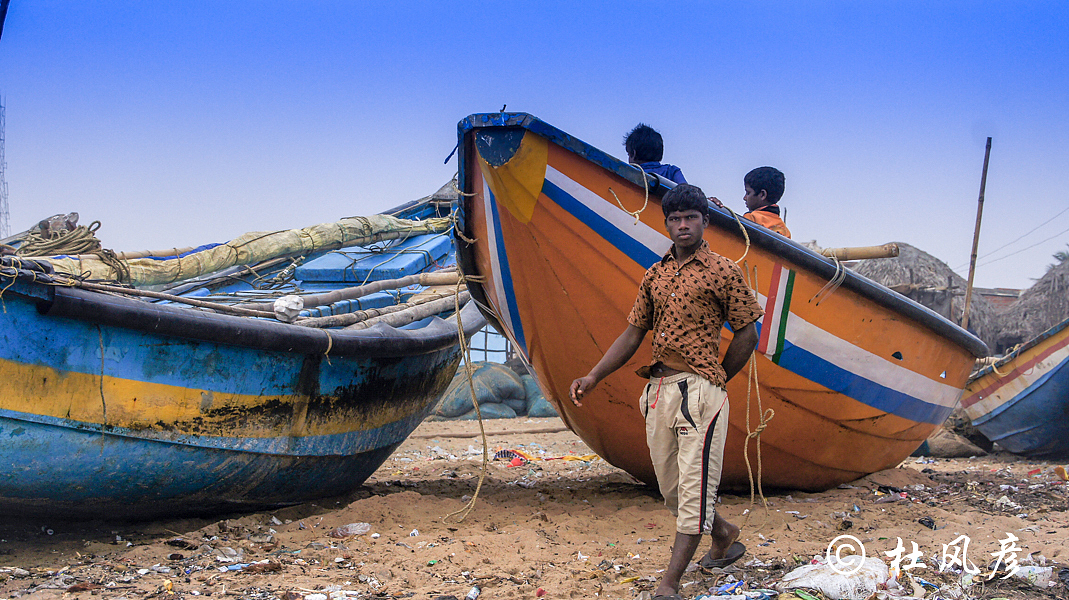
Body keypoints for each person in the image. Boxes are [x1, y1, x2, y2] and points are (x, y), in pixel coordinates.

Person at [569, 184, 763, 600]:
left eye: (690, 217)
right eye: (674, 219)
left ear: (705, 221)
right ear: (667, 225)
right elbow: (633, 332)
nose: (682, 226)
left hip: (700, 393)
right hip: (658, 390)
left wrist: (719, 377)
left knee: (693, 492)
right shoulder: (655, 274)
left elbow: (748, 330)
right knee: (671, 488)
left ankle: (669, 584)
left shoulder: (723, 270)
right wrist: (593, 376)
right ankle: (725, 533)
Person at [741, 166, 791, 238]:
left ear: (762, 194)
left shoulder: (751, 218)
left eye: (748, 193)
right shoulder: (785, 230)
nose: (745, 198)